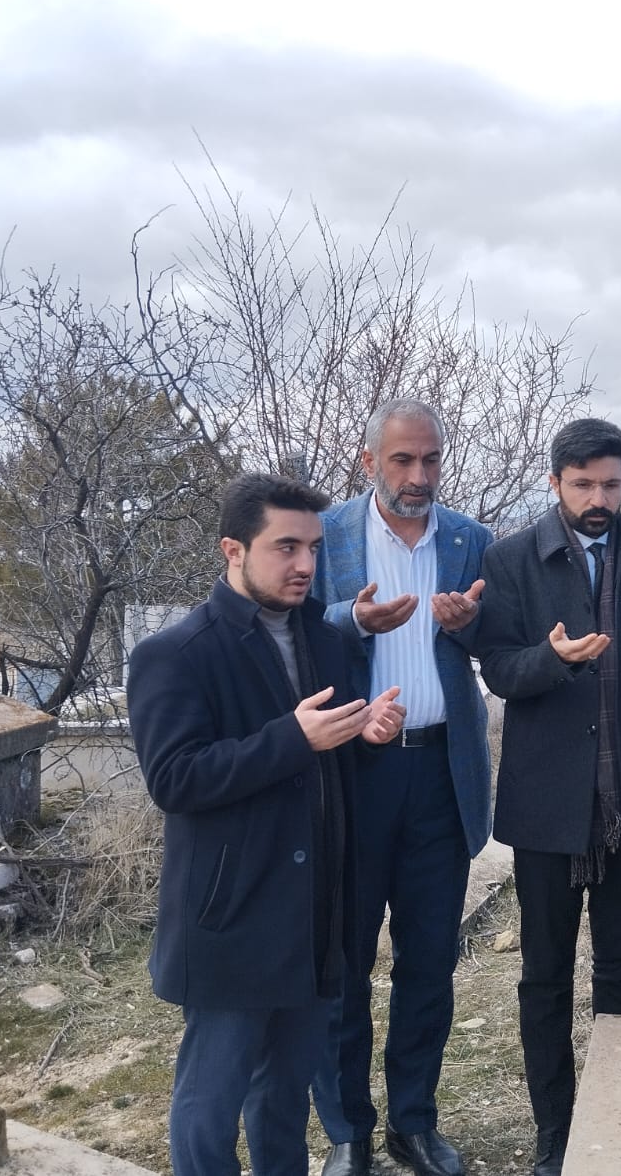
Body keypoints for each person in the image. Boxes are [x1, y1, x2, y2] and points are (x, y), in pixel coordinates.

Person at [128, 473, 405, 1176]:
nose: (306, 565)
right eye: (286, 547)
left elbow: (331, 769)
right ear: (232, 549)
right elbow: (175, 779)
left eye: (313, 547)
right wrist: (294, 739)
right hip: (233, 913)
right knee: (210, 1105)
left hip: (316, 915)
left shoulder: (325, 639)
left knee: (284, 1098)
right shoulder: (175, 655)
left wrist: (365, 738)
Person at [475, 418, 621, 1176]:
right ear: (554, 482)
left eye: (611, 484)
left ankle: (618, 1113)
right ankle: (554, 1130)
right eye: (583, 485)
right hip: (546, 806)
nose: (598, 498)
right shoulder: (510, 560)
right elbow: (498, 669)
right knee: (543, 975)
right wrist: (553, 659)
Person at [311, 400, 493, 1176]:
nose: (417, 478)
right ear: (368, 461)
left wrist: (466, 626)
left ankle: (413, 1122)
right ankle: (348, 1131)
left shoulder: (472, 540)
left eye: (429, 461)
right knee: (344, 964)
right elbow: (293, 627)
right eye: (401, 462)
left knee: (428, 963)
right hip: (353, 773)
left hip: (440, 774)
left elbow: (500, 637)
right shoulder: (330, 536)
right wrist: (354, 620)